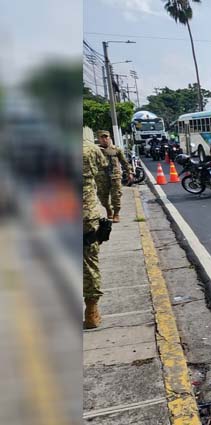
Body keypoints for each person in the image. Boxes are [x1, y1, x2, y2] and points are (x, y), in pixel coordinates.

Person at [83, 127, 108, 329]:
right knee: (88, 262)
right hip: (86, 216)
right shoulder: (90, 149)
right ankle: (91, 312)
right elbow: (102, 171)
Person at [96, 130, 132, 223]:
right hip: (101, 178)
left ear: (109, 138)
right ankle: (108, 209)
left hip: (115, 177)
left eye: (106, 137)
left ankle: (116, 214)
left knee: (116, 196)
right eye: (102, 137)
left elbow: (124, 162)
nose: (104, 139)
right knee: (102, 197)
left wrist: (129, 172)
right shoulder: (95, 150)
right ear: (99, 139)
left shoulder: (116, 149)